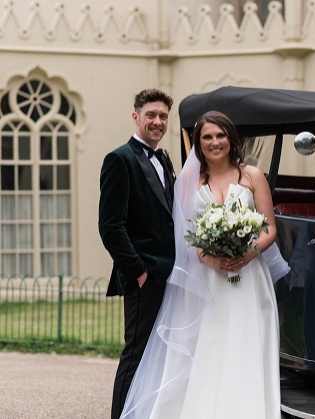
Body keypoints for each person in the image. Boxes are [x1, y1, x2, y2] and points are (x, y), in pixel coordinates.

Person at [120, 111, 281, 418]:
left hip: (249, 278)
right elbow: (184, 236)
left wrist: (248, 253)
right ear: (198, 143)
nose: (214, 142)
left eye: (220, 135)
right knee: (210, 346)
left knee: (245, 344)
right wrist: (210, 258)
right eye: (207, 137)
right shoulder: (188, 182)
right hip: (207, 280)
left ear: (231, 139)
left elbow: (269, 228)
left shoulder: (252, 176)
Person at [98, 88, 176, 419]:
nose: (157, 122)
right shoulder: (119, 160)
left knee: (160, 355)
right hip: (145, 276)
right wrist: (139, 272)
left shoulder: (165, 159)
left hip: (170, 273)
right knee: (136, 355)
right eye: (151, 115)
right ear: (136, 117)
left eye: (163, 116)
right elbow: (110, 226)